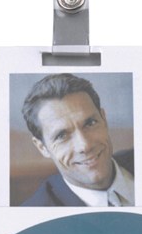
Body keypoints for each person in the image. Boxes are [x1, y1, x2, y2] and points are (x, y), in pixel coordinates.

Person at [20, 73, 134, 206]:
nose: (85, 145)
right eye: (62, 136)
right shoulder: (34, 213)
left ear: (104, 119)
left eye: (90, 123)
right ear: (42, 147)